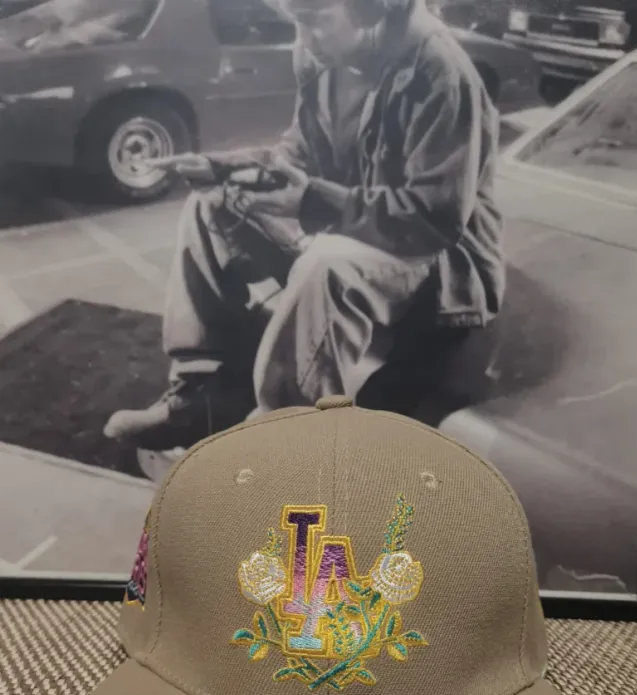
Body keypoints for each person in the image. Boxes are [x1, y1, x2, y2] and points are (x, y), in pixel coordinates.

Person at [104, 0, 506, 452]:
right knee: (209, 208)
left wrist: (314, 201)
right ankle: (202, 398)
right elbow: (297, 156)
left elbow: (435, 218)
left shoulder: (439, 71)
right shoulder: (322, 57)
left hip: (441, 263)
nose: (304, 39)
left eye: (317, 21)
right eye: (296, 22)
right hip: (359, 228)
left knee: (326, 262)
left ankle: (281, 439)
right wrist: (225, 168)